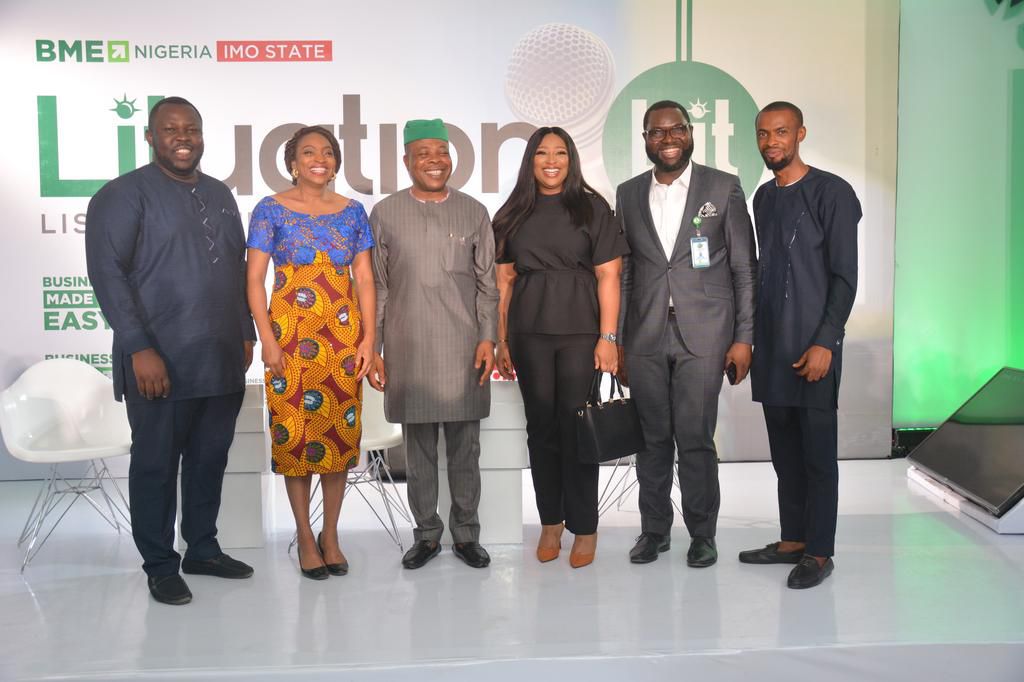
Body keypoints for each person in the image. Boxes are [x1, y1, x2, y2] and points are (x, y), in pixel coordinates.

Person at [85, 97, 256, 605]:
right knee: (156, 466)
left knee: (209, 461)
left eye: (192, 129)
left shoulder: (219, 193)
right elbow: (108, 276)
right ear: (150, 137)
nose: (183, 138)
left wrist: (245, 332)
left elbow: (237, 267)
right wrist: (138, 347)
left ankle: (202, 548)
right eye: (170, 129)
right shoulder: (122, 195)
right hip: (159, 360)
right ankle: (160, 564)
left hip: (220, 357)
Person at [616, 100, 757, 568]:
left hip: (706, 333)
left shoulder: (722, 187)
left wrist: (744, 337)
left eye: (676, 129)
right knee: (651, 438)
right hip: (646, 334)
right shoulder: (628, 194)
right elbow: (627, 273)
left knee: (695, 438)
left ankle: (702, 534)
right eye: (657, 132)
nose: (668, 138)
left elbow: (743, 268)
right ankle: (654, 530)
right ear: (645, 139)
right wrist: (619, 342)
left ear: (691, 132)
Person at [493, 127, 628, 569]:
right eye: (542, 153)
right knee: (540, 430)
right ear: (530, 161)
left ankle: (585, 526)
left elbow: (609, 275)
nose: (551, 161)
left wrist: (608, 338)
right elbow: (504, 282)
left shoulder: (592, 208)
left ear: (571, 160)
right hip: (528, 333)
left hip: (580, 333)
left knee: (577, 429)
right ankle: (551, 521)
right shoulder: (512, 213)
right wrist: (501, 339)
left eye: (560, 153)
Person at [245, 125, 375, 580]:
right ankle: (304, 535)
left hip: (342, 340)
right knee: (294, 438)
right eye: (308, 152)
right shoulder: (270, 210)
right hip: (290, 340)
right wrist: (267, 338)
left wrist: (369, 339)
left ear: (336, 163)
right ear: (293, 163)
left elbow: (364, 279)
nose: (319, 159)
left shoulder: (354, 212)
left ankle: (331, 535)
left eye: (328, 152)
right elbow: (254, 280)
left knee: (338, 438)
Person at [369, 119, 499, 570]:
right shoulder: (385, 213)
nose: (434, 161)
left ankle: (466, 535)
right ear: (407, 160)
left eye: (442, 152)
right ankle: (426, 535)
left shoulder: (473, 211)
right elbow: (379, 287)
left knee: (466, 448)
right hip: (408, 347)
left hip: (464, 347)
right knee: (419, 451)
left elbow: (488, 286)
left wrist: (488, 338)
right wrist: (375, 347)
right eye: (423, 153)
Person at [741, 101, 859, 589]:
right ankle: (792, 539)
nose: (771, 141)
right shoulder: (763, 198)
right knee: (785, 456)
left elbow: (845, 276)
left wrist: (826, 340)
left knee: (817, 457)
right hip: (772, 348)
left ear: (800, 134)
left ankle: (820, 551)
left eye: (781, 132)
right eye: (763, 134)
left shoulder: (833, 192)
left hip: (814, 348)